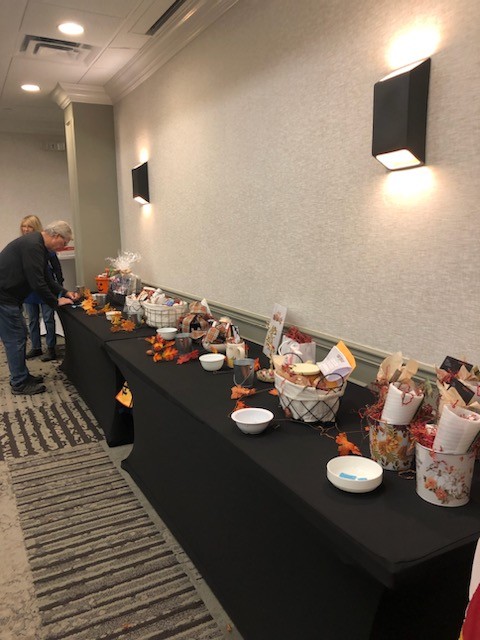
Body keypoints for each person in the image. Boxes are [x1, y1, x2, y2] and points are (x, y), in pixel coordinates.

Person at [0, 220, 78, 395]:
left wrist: (64, 292)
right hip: (4, 299)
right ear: (56, 236)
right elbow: (37, 281)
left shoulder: (38, 245)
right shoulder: (33, 245)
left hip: (9, 297)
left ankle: (22, 376)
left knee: (19, 336)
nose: (63, 246)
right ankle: (19, 383)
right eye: (64, 242)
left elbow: (46, 277)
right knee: (15, 339)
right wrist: (55, 302)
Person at [20, 215, 64, 362]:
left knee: (48, 319)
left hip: (45, 286)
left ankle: (51, 348)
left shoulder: (46, 246)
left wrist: (59, 286)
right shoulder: (23, 245)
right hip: (29, 289)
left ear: (36, 228)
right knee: (32, 320)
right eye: (24, 226)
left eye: (29, 226)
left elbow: (57, 268)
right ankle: (36, 347)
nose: (26, 229)